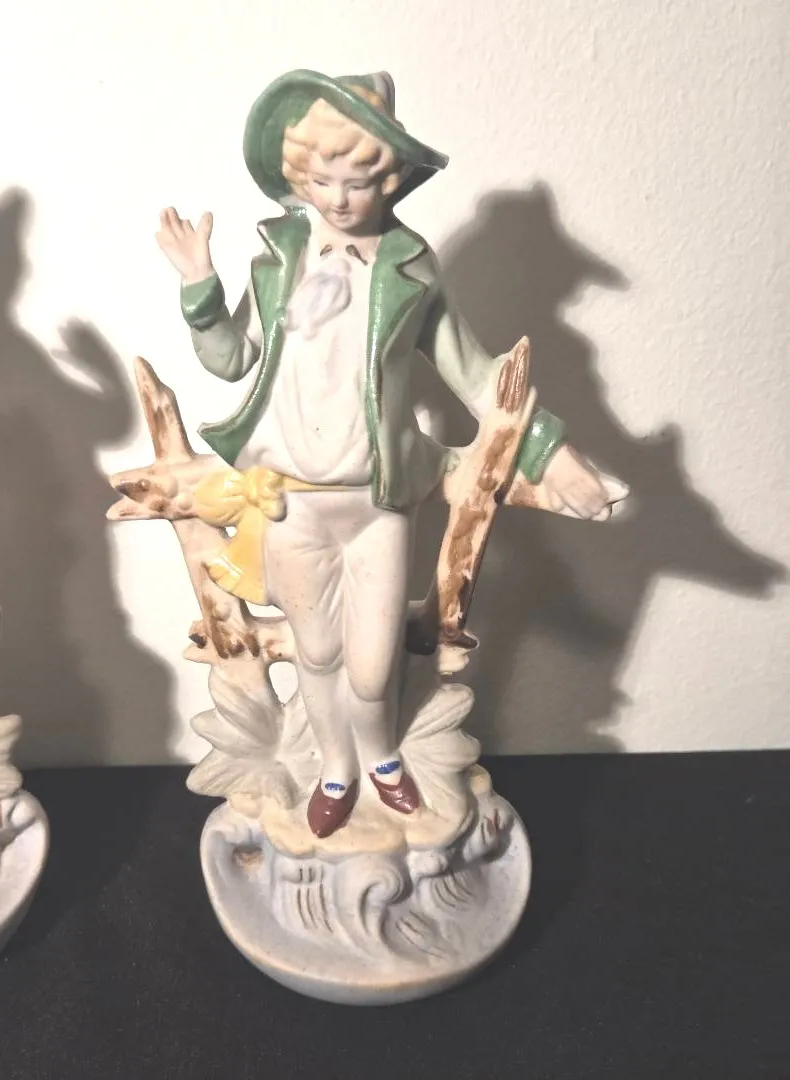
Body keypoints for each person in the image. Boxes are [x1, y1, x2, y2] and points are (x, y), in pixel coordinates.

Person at [156, 70, 622, 838]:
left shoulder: (409, 268)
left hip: (376, 503)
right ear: (298, 178)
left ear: (392, 178)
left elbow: (479, 378)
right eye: (322, 180)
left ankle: (381, 756)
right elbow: (231, 358)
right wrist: (199, 285)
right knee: (317, 654)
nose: (339, 199)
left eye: (359, 181)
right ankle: (336, 768)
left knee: (373, 666)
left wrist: (555, 458)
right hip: (293, 502)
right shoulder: (278, 262)